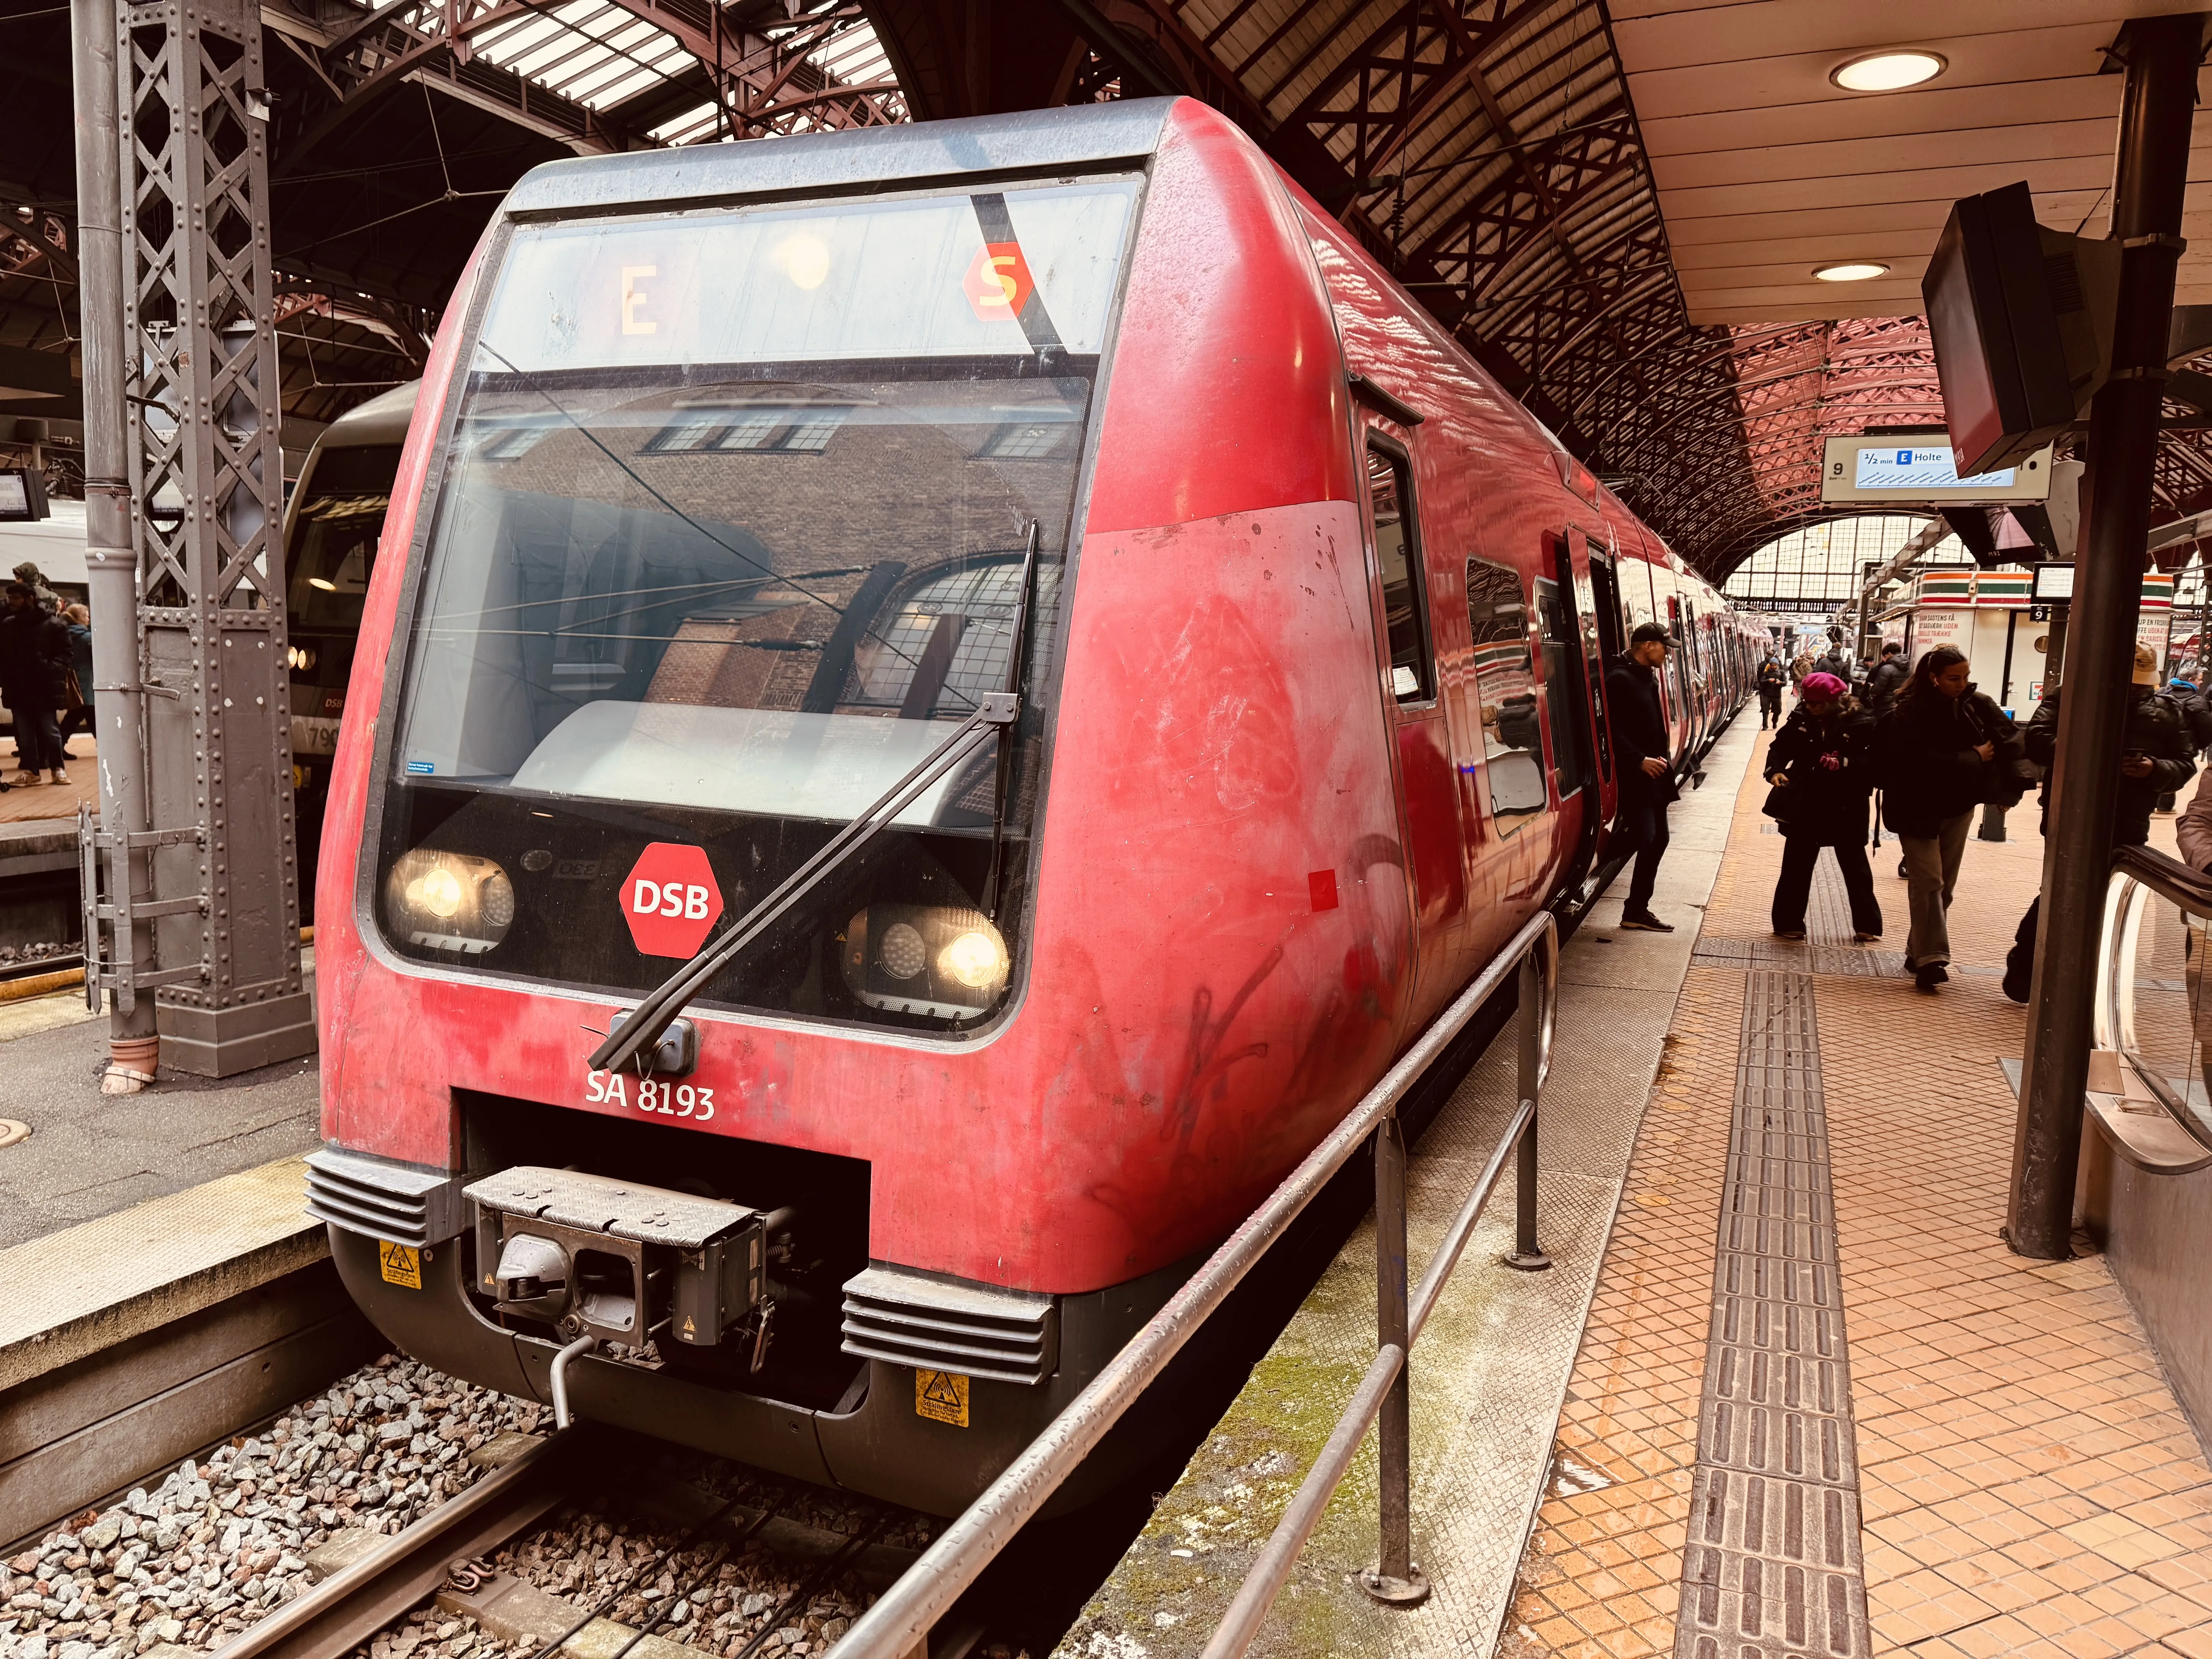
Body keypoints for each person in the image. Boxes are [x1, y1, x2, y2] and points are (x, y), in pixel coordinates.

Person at [2001, 645, 2197, 1001]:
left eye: (2142, 685)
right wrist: (2089, 753)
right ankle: (2027, 963)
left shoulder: (2166, 713)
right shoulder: (2069, 697)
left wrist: (2154, 769)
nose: (2136, 691)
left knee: (2107, 898)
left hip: (2129, 818)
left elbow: (2184, 764)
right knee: (2061, 888)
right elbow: (2038, 741)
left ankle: (2085, 978)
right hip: (2072, 812)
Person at [1877, 645, 2020, 991]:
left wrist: (2008, 791)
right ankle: (1932, 959)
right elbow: (1913, 761)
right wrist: (1971, 758)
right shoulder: (1907, 713)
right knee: (1929, 882)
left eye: (1965, 677)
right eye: (1953, 678)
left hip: (1959, 806)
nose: (1961, 684)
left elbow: (2010, 743)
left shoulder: (1978, 705)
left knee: (1945, 887)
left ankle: (1918, 949)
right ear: (1933, 678)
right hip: (1915, 807)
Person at [1765, 671, 1883, 942]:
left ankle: (1868, 924)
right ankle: (1788, 921)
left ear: (1835, 701)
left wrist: (1846, 764)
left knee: (1855, 865)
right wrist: (1775, 770)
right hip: (1807, 801)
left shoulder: (1861, 722)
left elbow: (1877, 762)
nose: (1810, 707)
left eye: (1817, 704)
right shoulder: (1801, 719)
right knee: (1797, 863)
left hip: (1847, 802)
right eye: (1808, 702)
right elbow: (1780, 748)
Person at [1605, 620, 1680, 933]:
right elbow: (1612, 730)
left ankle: (1636, 910)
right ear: (1648, 646)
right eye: (1665, 647)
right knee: (1646, 837)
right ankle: (1634, 906)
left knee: (1658, 839)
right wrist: (1639, 761)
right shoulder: (1620, 679)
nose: (1668, 654)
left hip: (1655, 774)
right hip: (1636, 774)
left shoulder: (1647, 679)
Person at [0, 580, 72, 785]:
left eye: (15, 598)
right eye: (9, 598)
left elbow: (66, 653)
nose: (10, 602)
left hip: (43, 686)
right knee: (25, 733)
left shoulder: (53, 624)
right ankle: (32, 770)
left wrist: (50, 668)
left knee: (49, 729)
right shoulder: (9, 624)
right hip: (19, 686)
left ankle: (58, 768)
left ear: (30, 599)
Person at [57, 603, 94, 747]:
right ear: (80, 619)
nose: (88, 619)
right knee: (90, 717)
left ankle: (57, 749)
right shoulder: (88, 639)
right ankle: (109, 750)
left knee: (74, 717)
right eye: (86, 616)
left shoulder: (63, 635)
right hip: (88, 684)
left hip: (73, 684)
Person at [1864, 641, 1910, 715]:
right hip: (1901, 706)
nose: (1884, 659)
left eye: (1884, 657)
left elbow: (1878, 690)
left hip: (1885, 707)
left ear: (1889, 654)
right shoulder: (1909, 670)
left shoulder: (1886, 669)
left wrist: (1872, 687)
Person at [1755, 655, 1785, 729]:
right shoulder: (1766, 672)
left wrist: (1780, 682)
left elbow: (1785, 682)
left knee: (1778, 710)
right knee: (1765, 710)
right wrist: (1768, 681)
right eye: (1773, 665)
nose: (1774, 667)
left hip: (1777, 695)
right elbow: (1761, 681)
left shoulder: (1781, 673)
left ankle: (1775, 721)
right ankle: (1765, 725)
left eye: (1775, 665)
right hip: (1766, 694)